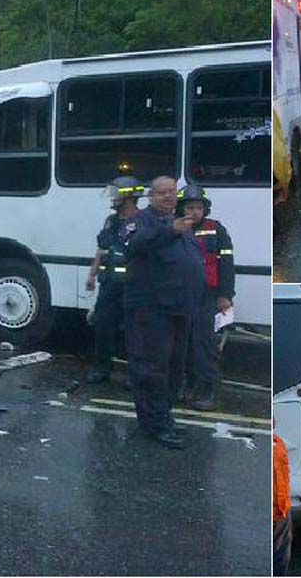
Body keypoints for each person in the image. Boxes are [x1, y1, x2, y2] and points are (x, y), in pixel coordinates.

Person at [123, 176, 205, 449]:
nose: (168, 197)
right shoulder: (140, 220)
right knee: (151, 368)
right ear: (150, 196)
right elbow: (137, 243)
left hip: (180, 308)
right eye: (162, 193)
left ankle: (163, 417)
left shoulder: (180, 223)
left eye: (172, 192)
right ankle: (154, 424)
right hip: (152, 309)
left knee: (174, 367)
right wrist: (172, 230)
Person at [176, 184, 234, 411]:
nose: (194, 211)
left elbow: (227, 265)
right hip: (181, 297)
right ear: (182, 208)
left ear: (205, 209)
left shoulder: (217, 230)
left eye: (198, 207)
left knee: (204, 345)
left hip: (207, 297)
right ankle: (189, 387)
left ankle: (209, 390)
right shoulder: (175, 229)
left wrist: (225, 295)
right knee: (183, 344)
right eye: (189, 207)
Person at [84, 176, 143, 384]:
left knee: (133, 332)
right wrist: (92, 274)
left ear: (127, 197)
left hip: (131, 286)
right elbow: (102, 249)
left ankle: (133, 375)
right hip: (109, 284)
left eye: (116, 194)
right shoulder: (111, 221)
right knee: (103, 327)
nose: (112, 198)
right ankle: (102, 368)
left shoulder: (142, 221)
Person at [272, 434, 293, 577]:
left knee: (280, 560)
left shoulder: (278, 442)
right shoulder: (276, 443)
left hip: (282, 511)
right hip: (276, 512)